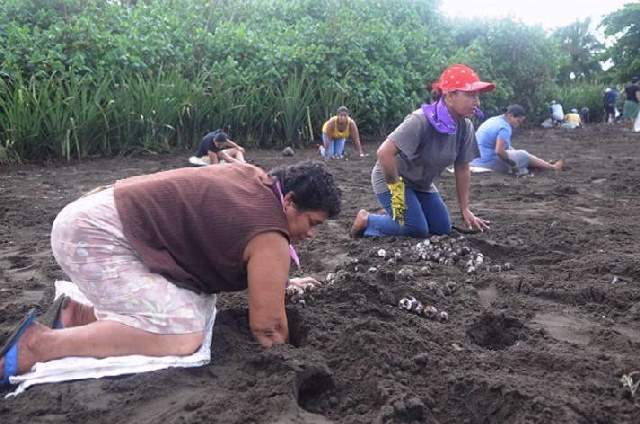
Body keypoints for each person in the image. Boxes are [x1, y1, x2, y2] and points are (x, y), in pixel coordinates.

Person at [0, 161, 341, 384]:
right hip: (95, 237)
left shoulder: (257, 182)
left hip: (96, 218)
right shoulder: (269, 231)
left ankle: (80, 315)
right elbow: (268, 328)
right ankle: (41, 345)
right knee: (185, 333)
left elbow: (246, 250)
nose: (310, 234)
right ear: (290, 201)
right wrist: (287, 368)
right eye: (312, 223)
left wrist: (281, 281)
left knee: (195, 304)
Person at [350, 64, 492, 239]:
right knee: (416, 229)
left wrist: (465, 209)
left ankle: (397, 215)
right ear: (449, 96)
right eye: (470, 95)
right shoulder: (421, 120)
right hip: (392, 179)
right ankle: (368, 221)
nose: (477, 102)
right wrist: (398, 197)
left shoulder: (465, 126)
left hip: (421, 184)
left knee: (442, 228)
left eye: (477, 96)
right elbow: (384, 153)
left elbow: (462, 167)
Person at [471, 104, 565, 175]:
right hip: (485, 161)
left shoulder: (494, 120)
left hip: (474, 159)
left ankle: (544, 164)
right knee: (523, 155)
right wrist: (512, 164)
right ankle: (552, 167)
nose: (518, 124)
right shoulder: (505, 127)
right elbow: (499, 151)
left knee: (514, 151)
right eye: (518, 121)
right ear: (511, 116)